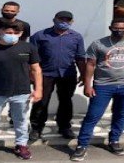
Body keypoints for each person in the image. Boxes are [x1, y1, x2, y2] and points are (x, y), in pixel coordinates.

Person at [70, 18, 124, 161]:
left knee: (120, 114)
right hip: (103, 86)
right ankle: (82, 145)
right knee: (93, 115)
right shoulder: (98, 44)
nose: (119, 31)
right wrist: (88, 85)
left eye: (122, 28)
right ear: (110, 28)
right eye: (116, 28)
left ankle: (114, 141)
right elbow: (90, 64)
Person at [0, 22, 42, 162]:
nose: (12, 36)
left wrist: (38, 89)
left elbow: (36, 69)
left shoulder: (28, 47)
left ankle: (21, 145)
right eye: (9, 33)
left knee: (21, 121)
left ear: (21, 34)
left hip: (21, 92)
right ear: (1, 31)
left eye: (16, 33)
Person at [29, 11, 86, 140]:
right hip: (44, 73)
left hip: (67, 74)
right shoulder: (40, 35)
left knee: (66, 100)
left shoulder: (76, 37)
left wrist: (83, 74)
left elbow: (80, 57)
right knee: (41, 101)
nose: (64, 22)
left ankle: (64, 127)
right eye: (61, 19)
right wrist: (31, 75)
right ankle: (36, 128)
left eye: (67, 20)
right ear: (54, 19)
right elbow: (31, 58)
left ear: (72, 22)